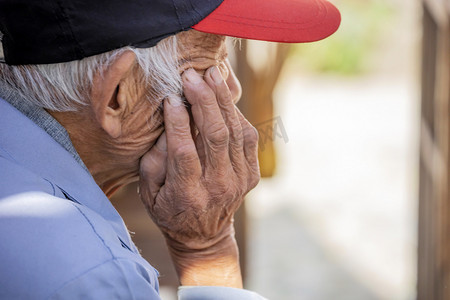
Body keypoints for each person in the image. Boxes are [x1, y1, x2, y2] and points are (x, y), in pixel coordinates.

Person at [0, 0, 340, 299]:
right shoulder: (96, 276)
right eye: (213, 66)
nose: (231, 90)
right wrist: (208, 251)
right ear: (118, 95)